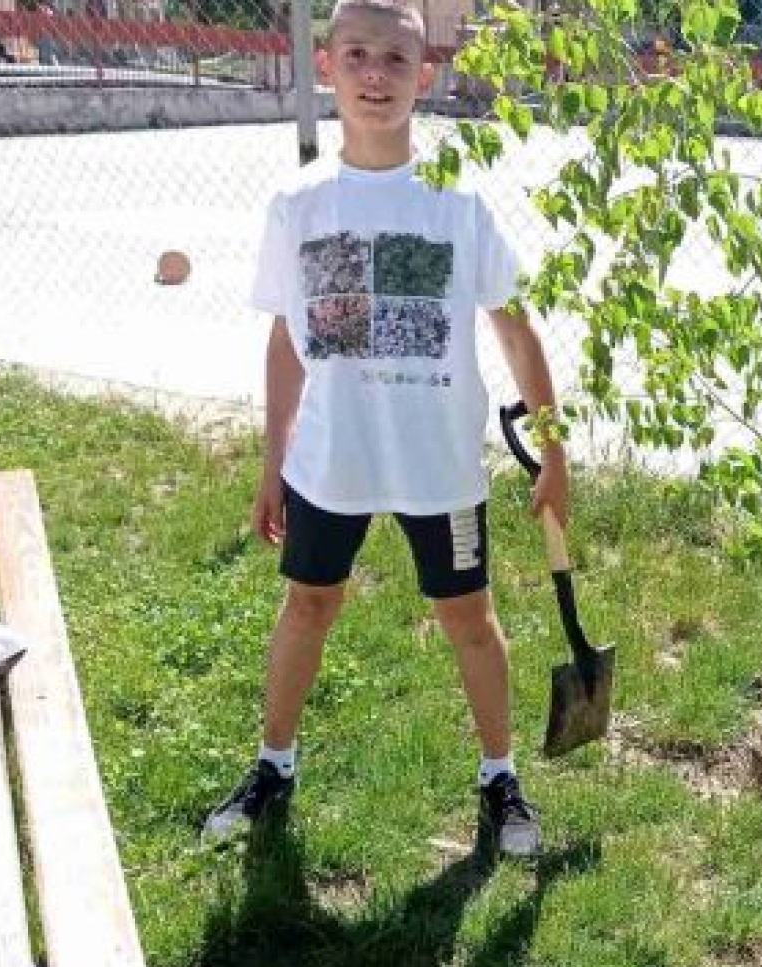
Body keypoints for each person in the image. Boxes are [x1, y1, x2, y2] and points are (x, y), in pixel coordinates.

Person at [200, 0, 567, 862]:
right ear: (326, 66)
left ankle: (499, 776)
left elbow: (516, 329)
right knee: (308, 604)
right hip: (331, 464)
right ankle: (273, 765)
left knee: (469, 618)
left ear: (424, 77)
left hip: (440, 468)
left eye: (395, 60)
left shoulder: (457, 206)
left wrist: (553, 449)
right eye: (357, 55)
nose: (375, 74)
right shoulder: (299, 207)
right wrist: (272, 460)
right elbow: (289, 338)